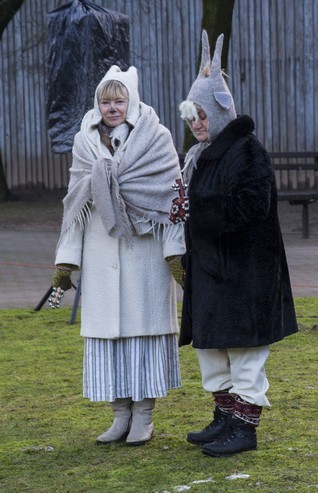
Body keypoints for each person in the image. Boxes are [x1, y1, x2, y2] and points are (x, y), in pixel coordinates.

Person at [177, 31, 299, 458]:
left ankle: (244, 428)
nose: (196, 124)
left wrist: (197, 208)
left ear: (220, 112)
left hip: (245, 273)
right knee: (213, 351)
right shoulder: (202, 156)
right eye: (191, 116)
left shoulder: (245, 151)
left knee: (245, 354)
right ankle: (225, 417)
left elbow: (252, 205)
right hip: (213, 272)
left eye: (202, 115)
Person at [52, 65, 186, 446]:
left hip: (144, 255)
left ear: (132, 101)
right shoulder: (84, 143)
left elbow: (171, 200)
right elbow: (74, 203)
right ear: (98, 104)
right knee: (109, 340)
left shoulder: (156, 139)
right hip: (100, 253)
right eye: (105, 101)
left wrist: (175, 253)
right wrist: (66, 260)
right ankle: (119, 415)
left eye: (119, 100)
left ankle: (143, 416)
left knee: (142, 338)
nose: (112, 107)